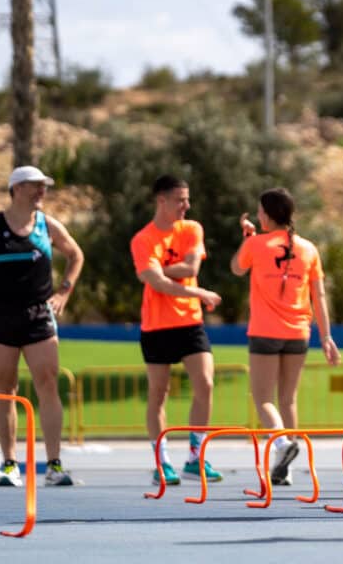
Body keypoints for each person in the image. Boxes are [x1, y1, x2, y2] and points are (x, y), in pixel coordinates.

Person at [0, 166, 83, 487]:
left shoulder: (47, 226)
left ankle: (54, 465)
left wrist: (64, 292)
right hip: (0, 317)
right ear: (16, 189)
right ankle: (9, 464)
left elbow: (76, 255)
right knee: (6, 390)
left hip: (39, 317)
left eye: (44, 187)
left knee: (47, 383)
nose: (41, 192)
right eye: (35, 186)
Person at [231, 188, 341, 486]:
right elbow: (319, 296)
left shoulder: (256, 243)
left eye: (259, 212)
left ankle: (281, 446)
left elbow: (236, 269)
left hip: (265, 332)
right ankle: (286, 468)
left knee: (263, 399)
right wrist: (327, 337)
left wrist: (247, 238)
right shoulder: (308, 248)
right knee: (288, 399)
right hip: (298, 333)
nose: (257, 216)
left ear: (267, 215)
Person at [130, 175, 223, 486]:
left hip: (190, 323)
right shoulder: (143, 239)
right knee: (158, 393)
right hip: (156, 325)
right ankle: (162, 461)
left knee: (206, 383)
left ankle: (196, 457)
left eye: (187, 199)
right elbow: (156, 284)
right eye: (180, 200)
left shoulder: (192, 229)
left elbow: (191, 269)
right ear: (162, 201)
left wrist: (156, 271)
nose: (187, 205)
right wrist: (197, 291)